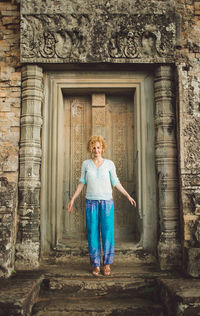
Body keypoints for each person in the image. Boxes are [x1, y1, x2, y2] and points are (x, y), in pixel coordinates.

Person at [68, 135, 136, 276]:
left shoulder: (109, 164)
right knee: (92, 233)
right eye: (94, 147)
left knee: (107, 233)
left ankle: (107, 264)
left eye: (98, 147)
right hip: (91, 202)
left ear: (102, 148)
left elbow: (116, 182)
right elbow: (82, 183)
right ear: (90, 149)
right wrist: (73, 199)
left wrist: (128, 195)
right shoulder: (86, 164)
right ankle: (95, 265)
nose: (96, 150)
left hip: (107, 203)